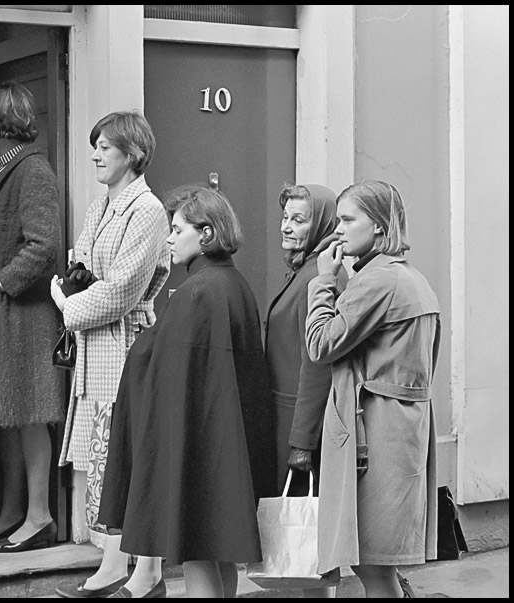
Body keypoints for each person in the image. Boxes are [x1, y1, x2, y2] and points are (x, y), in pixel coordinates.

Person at [97, 185, 276, 598]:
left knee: (198, 555)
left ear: (207, 234)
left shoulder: (196, 292)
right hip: (228, 448)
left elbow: (171, 379)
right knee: (220, 555)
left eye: (177, 230)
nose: (170, 239)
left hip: (198, 450)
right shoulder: (235, 285)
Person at [50, 111, 170, 598]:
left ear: (133, 154)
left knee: (127, 452)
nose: (96, 153)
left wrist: (66, 303)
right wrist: (78, 287)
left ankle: (142, 571)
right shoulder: (101, 204)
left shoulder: (148, 211)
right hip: (97, 345)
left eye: (105, 145)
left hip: (127, 344)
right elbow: (82, 259)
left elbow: (122, 290)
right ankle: (113, 565)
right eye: (94, 144)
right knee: (105, 457)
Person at [305, 180, 440, 598]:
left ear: (379, 227)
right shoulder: (411, 279)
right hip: (400, 433)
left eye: (348, 220)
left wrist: (323, 281)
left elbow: (320, 344)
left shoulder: (378, 282)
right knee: (379, 565)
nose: (338, 230)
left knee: (373, 564)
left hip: (376, 436)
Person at [0, 82, 64, 553]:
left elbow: (44, 243)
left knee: (29, 414)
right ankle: (10, 512)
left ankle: (39, 517)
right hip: (6, 317)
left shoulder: (32, 170)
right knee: (8, 416)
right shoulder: (7, 168)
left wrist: (4, 283)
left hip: (24, 316)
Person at [264, 183, 346, 598]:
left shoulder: (320, 274)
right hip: (288, 417)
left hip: (301, 422)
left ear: (321, 224)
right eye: (285, 218)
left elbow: (318, 365)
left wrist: (301, 442)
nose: (287, 227)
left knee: (311, 544)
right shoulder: (306, 268)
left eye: (299, 220)